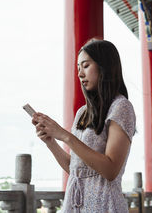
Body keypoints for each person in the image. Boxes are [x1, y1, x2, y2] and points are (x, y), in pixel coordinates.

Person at [32, 39, 136, 213]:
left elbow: (110, 170)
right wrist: (51, 142)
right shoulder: (82, 113)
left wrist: (65, 136)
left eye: (86, 66)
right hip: (75, 204)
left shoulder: (121, 107)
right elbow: (75, 168)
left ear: (105, 66)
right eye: (78, 68)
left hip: (104, 204)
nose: (80, 74)